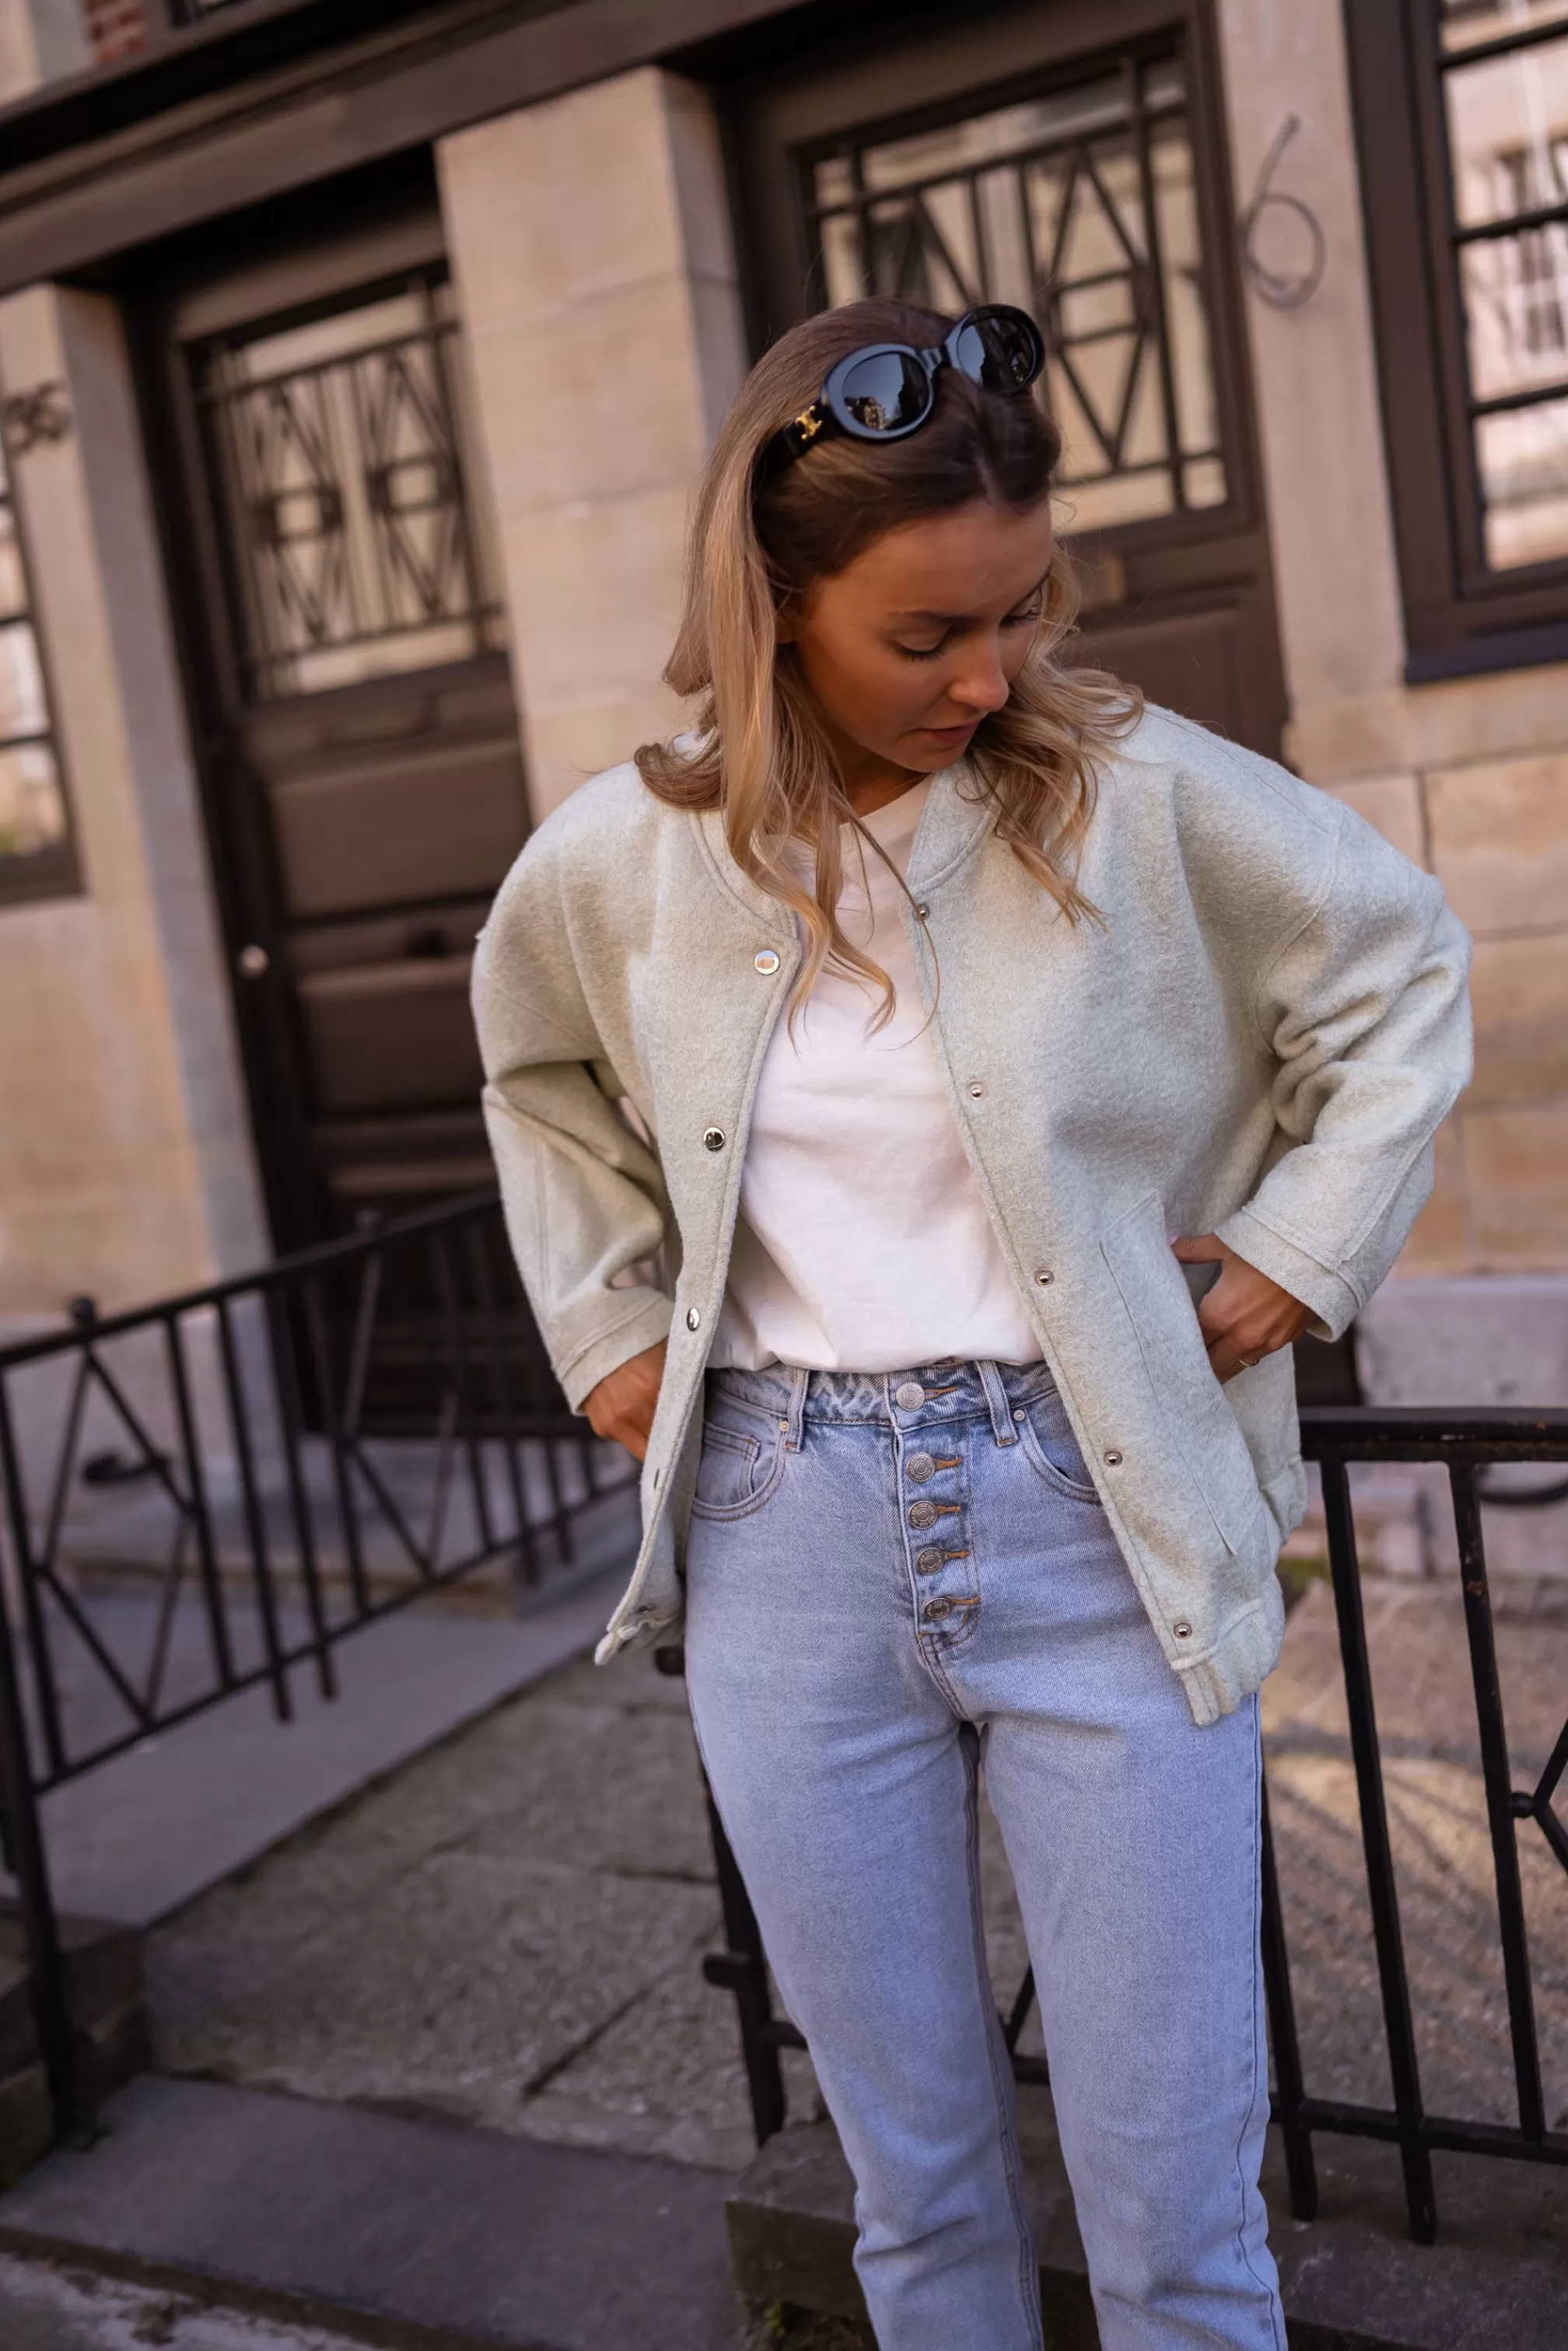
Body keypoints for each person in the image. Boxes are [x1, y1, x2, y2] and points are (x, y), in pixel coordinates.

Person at [471, 297, 1471, 2351]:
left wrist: (1300, 1251)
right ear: (773, 608)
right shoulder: (632, 859)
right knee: (916, 2200)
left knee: (1179, 2212)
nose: (988, 674)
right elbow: (537, 1077)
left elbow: (1402, 971)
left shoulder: (1134, 794)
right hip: (785, 1535)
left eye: (1020, 611)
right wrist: (609, 1330)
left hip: (1094, 1511)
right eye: (926, 632)